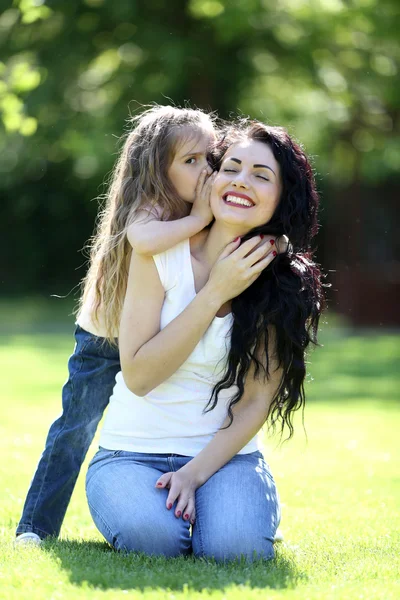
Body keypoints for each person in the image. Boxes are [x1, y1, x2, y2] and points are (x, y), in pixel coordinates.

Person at [85, 119, 324, 562]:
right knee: (154, 540)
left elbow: (255, 402)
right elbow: (138, 375)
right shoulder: (159, 251)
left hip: (224, 460)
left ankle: (228, 515)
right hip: (131, 454)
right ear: (211, 178)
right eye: (231, 167)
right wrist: (216, 290)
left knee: (235, 550)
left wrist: (194, 475)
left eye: (261, 175)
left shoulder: (283, 284)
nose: (241, 182)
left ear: (280, 197)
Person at [15, 105, 221, 545]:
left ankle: (231, 516)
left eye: (211, 156)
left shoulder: (204, 206)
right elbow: (142, 240)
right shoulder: (153, 208)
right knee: (76, 428)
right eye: (191, 161)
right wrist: (198, 220)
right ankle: (35, 527)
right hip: (104, 337)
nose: (207, 169)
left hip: (156, 338)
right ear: (158, 171)